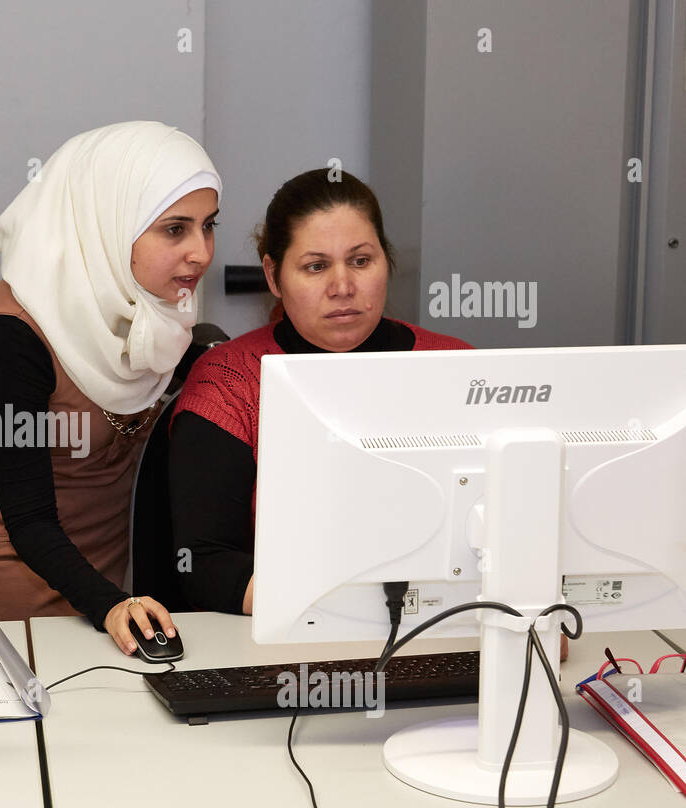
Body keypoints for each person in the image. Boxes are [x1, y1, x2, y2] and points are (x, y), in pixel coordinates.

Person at [0, 121, 222, 655]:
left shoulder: (160, 314)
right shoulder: (14, 334)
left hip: (109, 577)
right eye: (175, 229)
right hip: (10, 569)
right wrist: (109, 603)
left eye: (208, 226)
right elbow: (27, 518)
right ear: (106, 224)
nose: (201, 253)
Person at [168, 169, 472, 616]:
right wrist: (354, 614)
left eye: (361, 261)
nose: (342, 287)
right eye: (315, 266)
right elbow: (204, 566)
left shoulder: (459, 368)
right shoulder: (229, 383)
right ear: (273, 275)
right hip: (287, 641)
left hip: (450, 628)